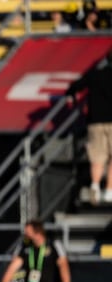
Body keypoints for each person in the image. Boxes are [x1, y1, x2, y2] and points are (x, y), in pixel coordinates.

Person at [66, 50, 112, 205]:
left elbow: (74, 87)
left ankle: (95, 186)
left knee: (97, 157)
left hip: (95, 121)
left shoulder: (95, 75)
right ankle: (109, 190)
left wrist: (71, 97)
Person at [0, 220, 72, 282]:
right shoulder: (24, 246)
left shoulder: (54, 244)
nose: (25, 233)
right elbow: (13, 266)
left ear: (37, 231)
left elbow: (63, 265)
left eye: (27, 231)